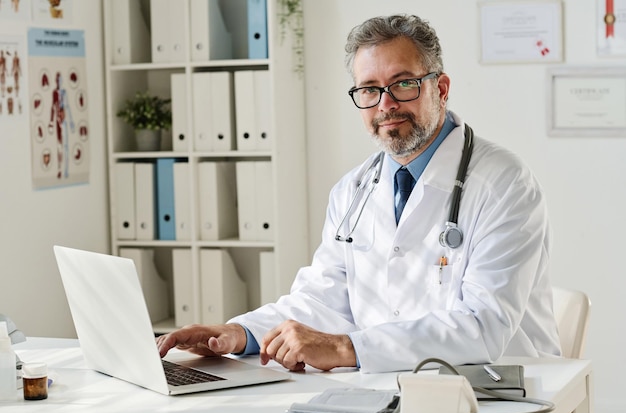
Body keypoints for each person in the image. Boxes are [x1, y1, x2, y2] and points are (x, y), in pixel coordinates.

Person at [157, 14, 561, 373]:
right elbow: (323, 298)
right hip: (393, 386)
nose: (386, 104)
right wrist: (238, 333)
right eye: (369, 89)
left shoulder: (504, 183)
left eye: (403, 83)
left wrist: (346, 347)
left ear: (441, 87)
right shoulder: (353, 189)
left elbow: (482, 326)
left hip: (499, 389)